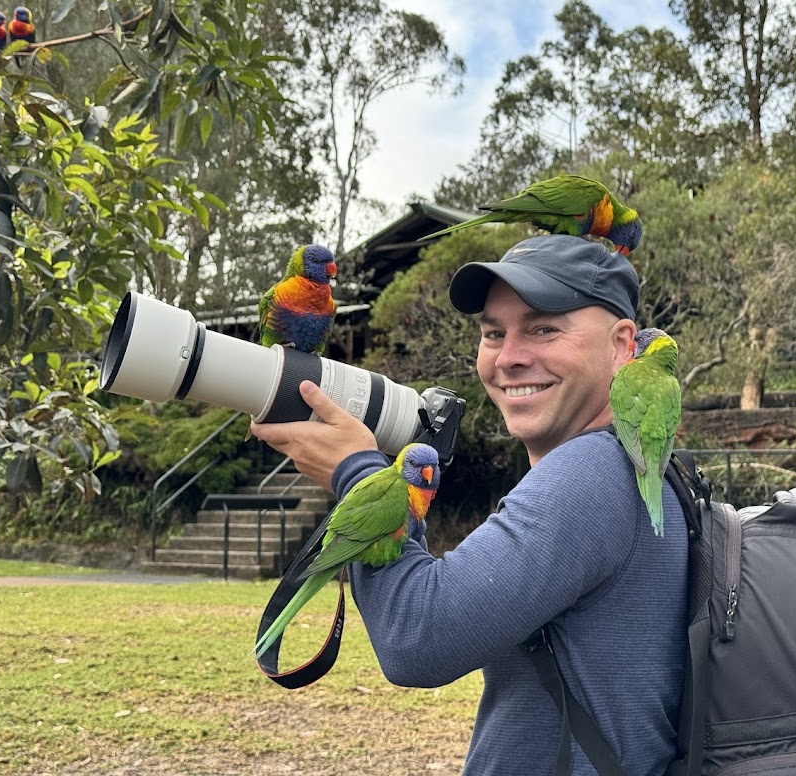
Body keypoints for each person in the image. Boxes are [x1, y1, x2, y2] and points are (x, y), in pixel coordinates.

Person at [251, 234, 688, 775]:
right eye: (492, 333)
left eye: (543, 328)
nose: (509, 358)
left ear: (623, 346)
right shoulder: (643, 467)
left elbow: (417, 638)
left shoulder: (592, 476)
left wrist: (358, 473)